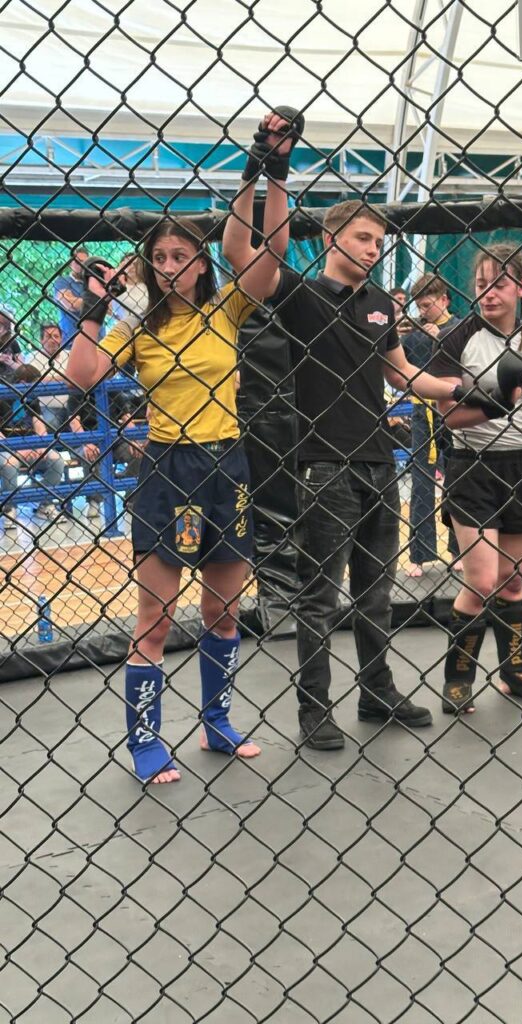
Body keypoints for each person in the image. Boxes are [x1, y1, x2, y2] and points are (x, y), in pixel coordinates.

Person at [222, 108, 481, 750]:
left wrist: (465, 389)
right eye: (362, 238)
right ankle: (314, 709)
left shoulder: (379, 304)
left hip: (376, 462)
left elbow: (402, 375)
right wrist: (268, 168)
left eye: (378, 241)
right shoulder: (300, 293)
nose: (372, 249)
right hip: (323, 464)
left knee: (375, 592)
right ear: (332, 239)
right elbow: (242, 253)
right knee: (319, 596)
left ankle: (376, 691)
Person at [67, 218, 261, 785]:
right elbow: (81, 376)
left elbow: (264, 258)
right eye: (160, 257)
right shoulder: (139, 321)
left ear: (201, 262)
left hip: (228, 464)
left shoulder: (227, 307)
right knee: (155, 619)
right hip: (169, 468)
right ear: (149, 266)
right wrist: (95, 306)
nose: (170, 266)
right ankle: (146, 742)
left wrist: (263, 177)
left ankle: (217, 723)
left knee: (223, 611)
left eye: (181, 256)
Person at [431, 243, 522, 713]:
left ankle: (514, 672)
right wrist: (498, 404)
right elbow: (448, 416)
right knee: (482, 580)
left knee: (511, 581)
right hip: (472, 465)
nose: (488, 293)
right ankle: (458, 678)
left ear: (521, 288)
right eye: (480, 285)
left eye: (499, 284)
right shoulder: (457, 338)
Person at [401, 273, 461, 576]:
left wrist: (442, 337)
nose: (423, 311)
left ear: (444, 300)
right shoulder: (412, 333)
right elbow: (398, 366)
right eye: (419, 307)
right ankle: (419, 554)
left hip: (455, 410)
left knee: (458, 477)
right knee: (421, 482)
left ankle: (459, 549)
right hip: (422, 412)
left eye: (428, 305)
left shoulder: (461, 328)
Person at [0, 364, 66, 534]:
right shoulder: (3, 395)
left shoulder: (31, 396)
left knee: (57, 460)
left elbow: (39, 423)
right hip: (6, 448)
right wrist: (16, 449)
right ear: (23, 382)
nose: (37, 388)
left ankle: (45, 502)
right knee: (10, 463)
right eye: (34, 383)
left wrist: (40, 444)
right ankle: (9, 508)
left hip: (31, 445)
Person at [25, 323, 71, 430]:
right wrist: (66, 377)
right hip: (45, 407)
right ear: (41, 340)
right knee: (52, 423)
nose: (53, 340)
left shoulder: (70, 354)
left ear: (61, 339)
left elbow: (78, 376)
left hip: (73, 405)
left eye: (56, 336)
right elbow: (34, 380)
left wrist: (48, 379)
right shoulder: (32, 357)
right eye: (48, 336)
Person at [53, 246, 90, 346]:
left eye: (85, 262)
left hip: (98, 341)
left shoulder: (93, 282)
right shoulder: (62, 281)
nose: (81, 265)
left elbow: (109, 309)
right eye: (78, 262)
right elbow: (70, 304)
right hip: (71, 342)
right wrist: (97, 302)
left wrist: (81, 302)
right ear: (70, 263)